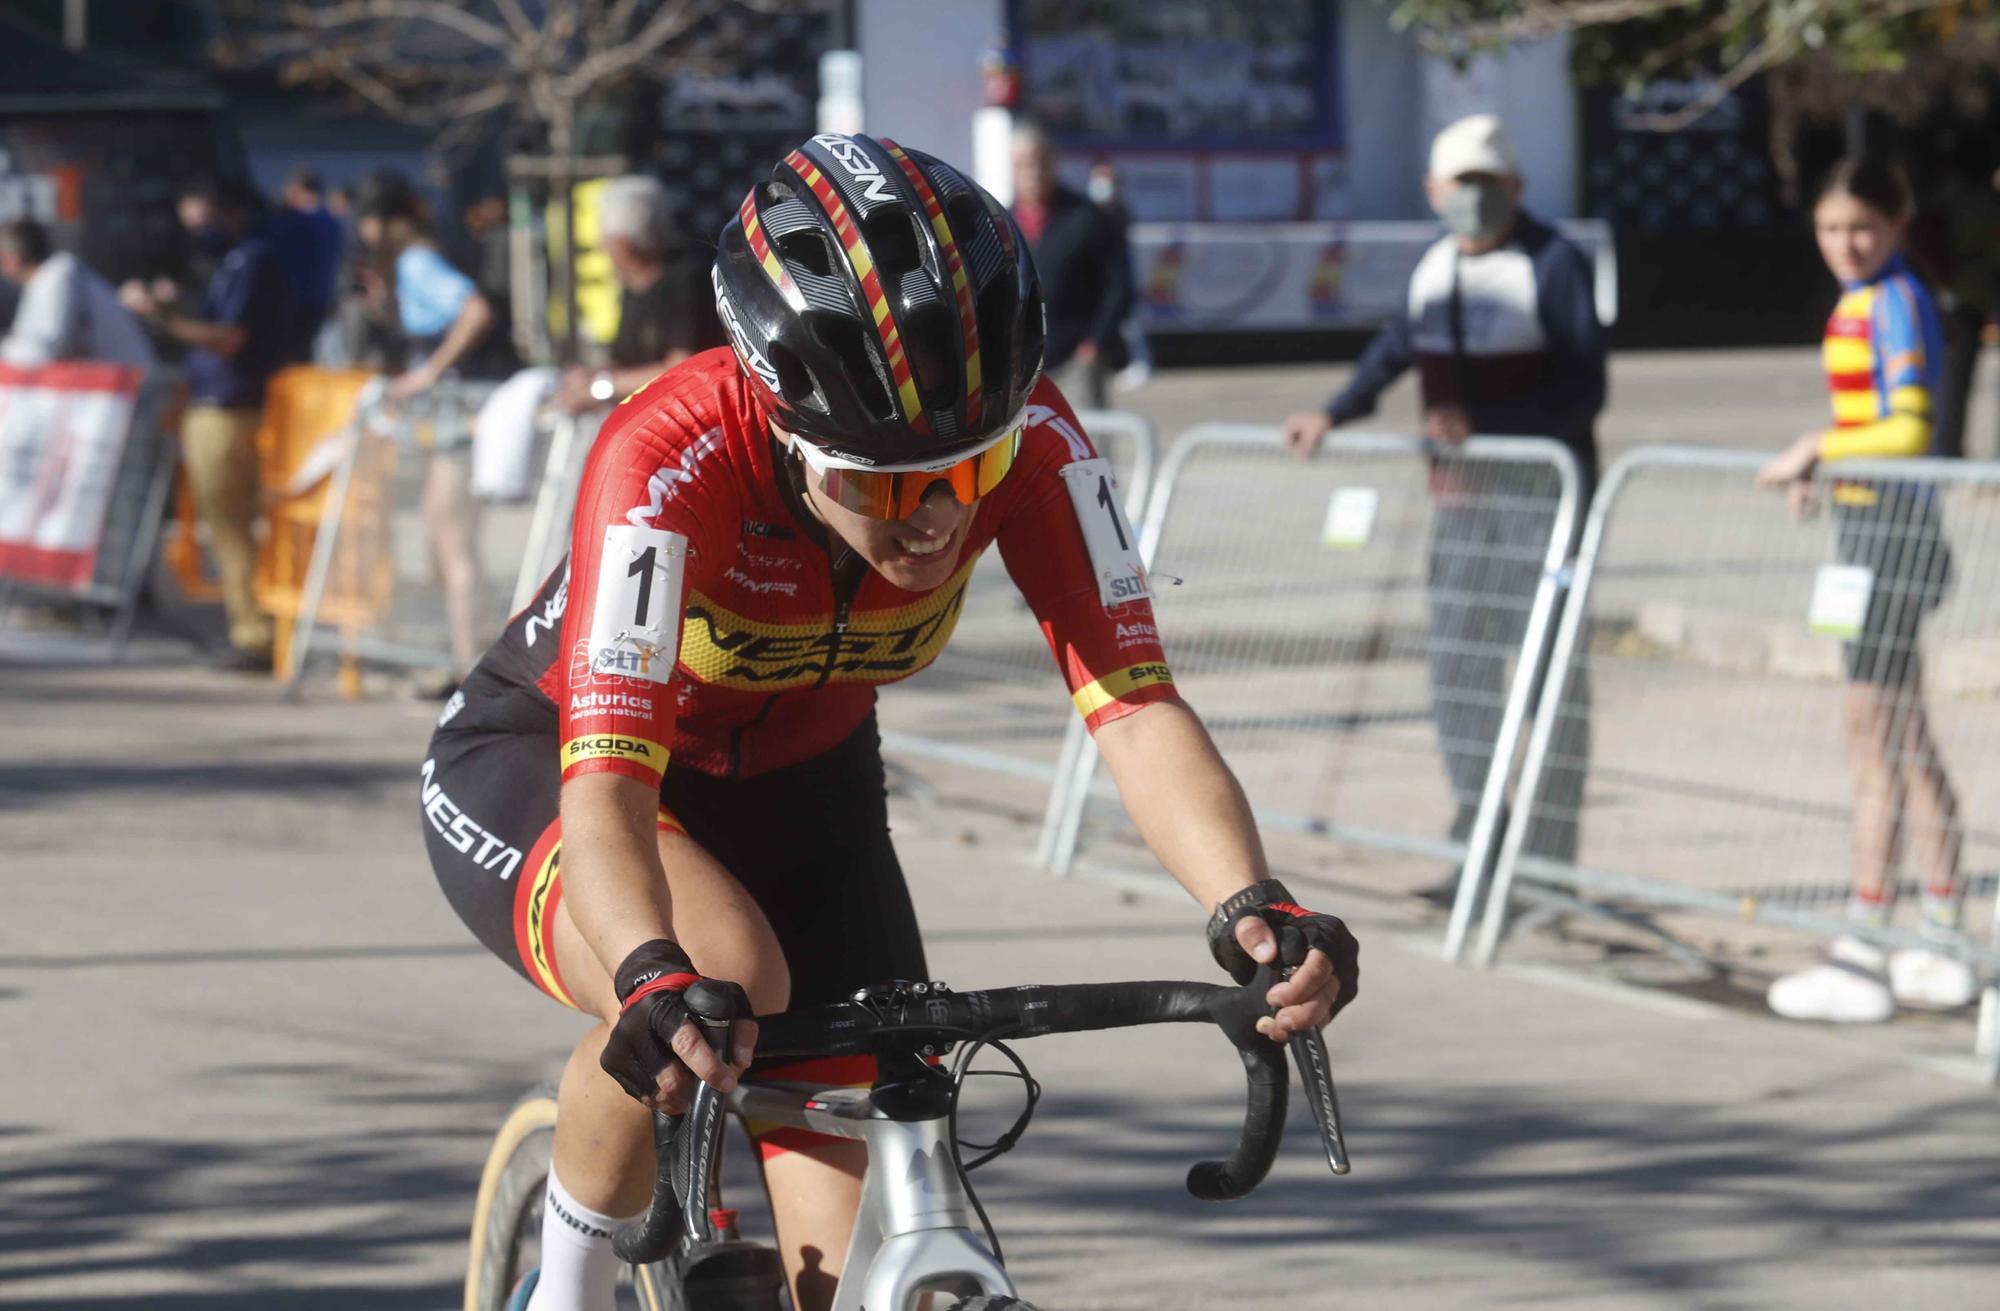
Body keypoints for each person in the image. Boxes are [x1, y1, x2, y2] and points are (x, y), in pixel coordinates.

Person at [419, 134, 1358, 1311]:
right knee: (718, 972)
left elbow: (1132, 710)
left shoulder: (1041, 443)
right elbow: (607, 781)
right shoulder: (669, 456)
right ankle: (560, 1291)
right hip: (560, 763)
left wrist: (1250, 905)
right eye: (879, 484)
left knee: (868, 1263)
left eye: (971, 470)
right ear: (781, 428)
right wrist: (650, 970)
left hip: (809, 797)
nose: (933, 522)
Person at [1281, 114, 1606, 885]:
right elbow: (1391, 351)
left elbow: (1585, 389)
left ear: (1516, 187)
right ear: (1431, 191)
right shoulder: (1434, 268)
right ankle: (1477, 839)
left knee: (1549, 675)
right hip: (1459, 507)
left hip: (1540, 508)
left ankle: (1551, 858)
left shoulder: (1553, 264)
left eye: (1485, 184)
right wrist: (1331, 411)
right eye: (1456, 184)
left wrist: (1486, 426)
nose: (1471, 198)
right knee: (1459, 670)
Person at [1756, 157, 1977, 1022]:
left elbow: (1911, 426)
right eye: (1829, 228)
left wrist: (1817, 447)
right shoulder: (1868, 298)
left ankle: (1873, 930)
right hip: (1866, 527)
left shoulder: (1895, 299)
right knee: (1895, 732)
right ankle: (1929, 920)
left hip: (1895, 535)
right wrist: (1828, 468)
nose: (1845, 244)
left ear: (1896, 223)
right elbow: (1869, 425)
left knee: (1881, 735)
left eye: (1863, 228)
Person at [120, 180, 293, 671]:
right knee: (232, 526)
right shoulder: (238, 260)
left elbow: (229, 338)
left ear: (228, 213)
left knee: (233, 524)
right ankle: (255, 626)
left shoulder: (252, 259)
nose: (195, 234)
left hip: (231, 409)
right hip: (222, 406)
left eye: (200, 222)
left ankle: (254, 632)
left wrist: (163, 318)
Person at [353, 170, 497, 691]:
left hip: (458, 420)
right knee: (447, 541)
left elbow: (475, 310)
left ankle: (471, 663)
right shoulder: (418, 259)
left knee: (451, 540)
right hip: (451, 421)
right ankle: (464, 655)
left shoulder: (416, 261)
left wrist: (430, 371)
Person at [555, 174, 723, 413]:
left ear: (624, 244)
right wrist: (589, 378)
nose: (602, 247)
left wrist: (601, 388)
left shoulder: (684, 280)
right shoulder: (632, 286)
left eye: (605, 239)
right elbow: (626, 361)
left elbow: (681, 368)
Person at [1010, 121, 1130, 409]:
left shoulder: (1085, 218)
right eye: (1025, 164)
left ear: (1053, 163)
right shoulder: (1001, 222)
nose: (1034, 172)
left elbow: (1118, 285)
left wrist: (1095, 344)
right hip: (1019, 370)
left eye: (1040, 162)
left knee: (1088, 448)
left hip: (1077, 362)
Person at [0, 219, 154, 370]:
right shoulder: (46, 278)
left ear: (12, 258)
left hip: (130, 386)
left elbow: (43, 350)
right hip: (112, 383)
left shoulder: (59, 275)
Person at [269, 166, 346, 362]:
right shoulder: (331, 220)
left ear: (298, 190)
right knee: (307, 350)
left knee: (293, 354)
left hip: (298, 297)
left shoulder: (300, 221)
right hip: (322, 294)